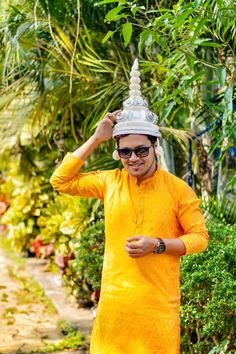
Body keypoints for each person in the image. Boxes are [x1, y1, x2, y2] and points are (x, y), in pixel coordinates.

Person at [50, 59, 209, 354]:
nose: (133, 158)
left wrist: (157, 244)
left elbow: (200, 238)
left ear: (155, 147)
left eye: (141, 150)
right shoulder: (110, 182)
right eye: (125, 151)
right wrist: (97, 138)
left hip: (157, 306)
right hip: (115, 305)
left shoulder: (177, 189)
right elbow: (60, 180)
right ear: (117, 152)